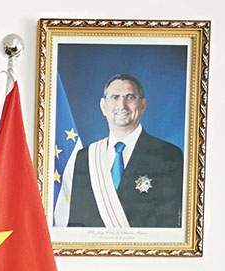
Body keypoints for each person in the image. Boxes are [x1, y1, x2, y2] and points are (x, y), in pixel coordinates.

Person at [68, 73, 183, 228]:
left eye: (130, 97)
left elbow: (170, 225)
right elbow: (76, 223)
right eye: (115, 97)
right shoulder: (85, 157)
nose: (122, 105)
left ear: (143, 105)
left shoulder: (168, 155)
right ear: (103, 106)